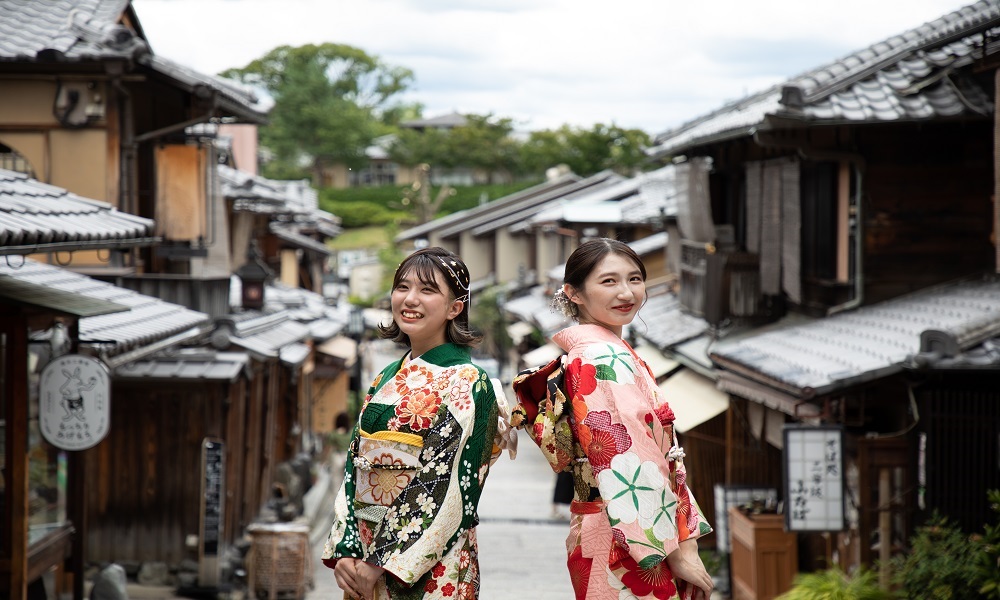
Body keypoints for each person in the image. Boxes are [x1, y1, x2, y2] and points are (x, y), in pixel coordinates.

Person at [512, 238, 714, 600]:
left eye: (634, 279)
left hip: (611, 525)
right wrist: (677, 548)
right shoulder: (600, 359)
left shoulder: (601, 353)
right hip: (629, 537)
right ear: (573, 293)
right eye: (609, 281)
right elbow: (629, 460)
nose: (626, 292)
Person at [322, 247, 515, 600]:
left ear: (455, 307)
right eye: (403, 287)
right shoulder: (386, 375)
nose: (410, 299)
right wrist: (347, 548)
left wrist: (380, 560)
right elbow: (355, 464)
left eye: (427, 290)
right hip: (364, 552)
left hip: (429, 559)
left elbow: (447, 482)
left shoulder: (469, 382)